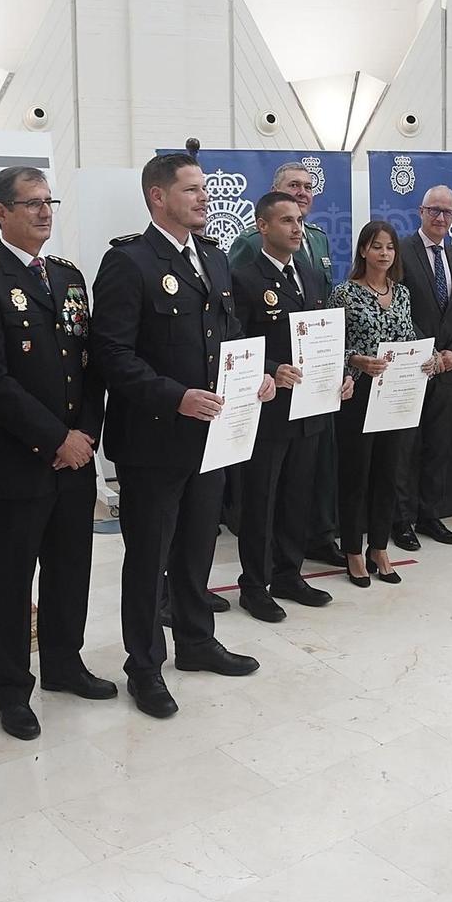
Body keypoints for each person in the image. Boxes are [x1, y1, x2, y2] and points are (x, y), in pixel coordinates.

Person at [93, 150, 276, 717]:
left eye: (205, 190)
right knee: (149, 557)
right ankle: (144, 665)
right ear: (158, 197)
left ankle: (195, 642)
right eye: (192, 189)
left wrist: (255, 377)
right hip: (154, 439)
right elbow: (111, 353)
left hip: (212, 434)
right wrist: (176, 396)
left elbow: (230, 335)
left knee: (198, 545)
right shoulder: (129, 262)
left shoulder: (214, 260)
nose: (204, 198)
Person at [0, 167, 115, 739]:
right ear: (0, 212)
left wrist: (85, 437)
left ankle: (64, 664)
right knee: (10, 577)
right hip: (19, 461)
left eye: (49, 202)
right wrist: (56, 439)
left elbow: (92, 364)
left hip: (75, 456)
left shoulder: (69, 275)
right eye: (31, 204)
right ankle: (9, 689)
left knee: (71, 567)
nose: (45, 212)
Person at [231, 191, 351, 620]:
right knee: (262, 498)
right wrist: (271, 368)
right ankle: (254, 583)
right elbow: (234, 344)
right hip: (269, 410)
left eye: (299, 220)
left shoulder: (312, 276)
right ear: (263, 226)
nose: (297, 228)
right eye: (286, 220)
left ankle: (288, 572)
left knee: (298, 495)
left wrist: (341, 374)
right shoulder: (243, 278)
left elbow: (326, 337)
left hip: (312, 406)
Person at [330, 220, 429, 586]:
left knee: (389, 472)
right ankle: (353, 549)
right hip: (358, 392)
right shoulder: (345, 293)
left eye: (389, 247)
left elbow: (407, 339)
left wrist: (426, 357)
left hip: (395, 392)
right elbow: (331, 345)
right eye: (376, 246)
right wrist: (356, 359)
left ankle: (379, 546)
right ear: (362, 251)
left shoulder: (401, 293)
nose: (384, 253)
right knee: (357, 473)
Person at [392, 184, 452, 547]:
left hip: (447, 370)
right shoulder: (400, 252)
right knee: (406, 446)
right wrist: (427, 353)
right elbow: (397, 309)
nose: (441, 218)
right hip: (412, 368)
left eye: (448, 213)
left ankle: (429, 515)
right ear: (420, 212)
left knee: (438, 445)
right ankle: (402, 520)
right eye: (434, 211)